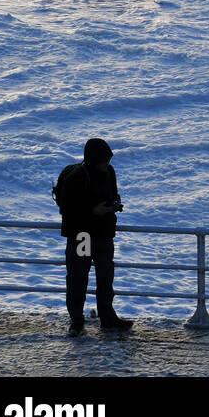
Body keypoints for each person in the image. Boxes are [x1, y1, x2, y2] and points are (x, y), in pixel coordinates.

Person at [57, 137, 133, 336]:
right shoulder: (76, 177)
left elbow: (113, 193)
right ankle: (76, 319)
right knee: (78, 277)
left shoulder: (109, 172)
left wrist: (114, 204)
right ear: (92, 159)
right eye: (103, 160)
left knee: (105, 277)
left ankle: (107, 317)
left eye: (108, 159)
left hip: (103, 234)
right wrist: (93, 212)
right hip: (82, 235)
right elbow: (67, 210)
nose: (106, 164)